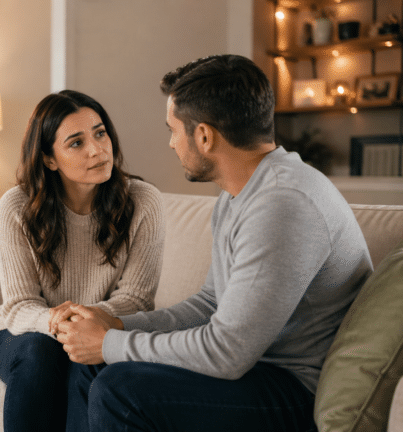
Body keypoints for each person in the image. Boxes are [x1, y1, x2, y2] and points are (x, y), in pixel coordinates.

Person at [55, 55, 373, 431]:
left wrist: (108, 343)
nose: (172, 143)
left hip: (294, 390)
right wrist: (119, 325)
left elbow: (227, 353)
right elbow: (210, 303)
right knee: (93, 367)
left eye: (174, 130)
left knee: (119, 388)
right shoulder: (240, 192)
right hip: (255, 370)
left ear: (204, 136)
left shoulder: (283, 204)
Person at [0, 89, 165, 432]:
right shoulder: (16, 206)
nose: (97, 150)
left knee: (89, 358)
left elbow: (138, 299)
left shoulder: (144, 202)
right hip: (27, 334)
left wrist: (87, 328)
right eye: (76, 143)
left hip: (99, 329)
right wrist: (60, 324)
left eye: (100, 133)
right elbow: (19, 305)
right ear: (49, 159)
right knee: (43, 352)